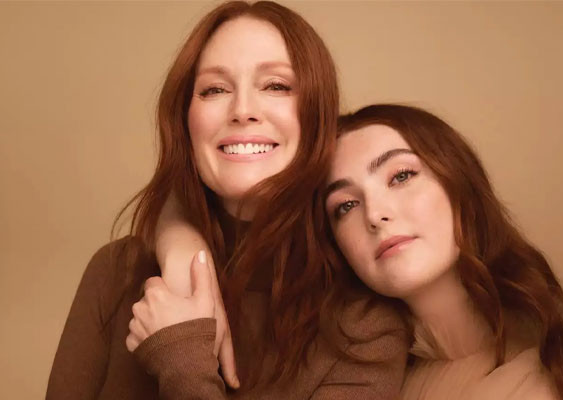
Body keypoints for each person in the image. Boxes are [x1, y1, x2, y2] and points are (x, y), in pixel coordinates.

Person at [46, 2, 409, 399]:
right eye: (215, 89)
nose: (242, 111)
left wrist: (181, 356)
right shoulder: (116, 272)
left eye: (276, 85)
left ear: (317, 116)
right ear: (185, 122)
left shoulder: (366, 328)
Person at [157, 104, 563, 400]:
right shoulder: (358, 375)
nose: (376, 214)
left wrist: (183, 365)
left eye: (401, 176)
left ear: (460, 186)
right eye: (344, 205)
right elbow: (190, 192)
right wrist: (181, 242)